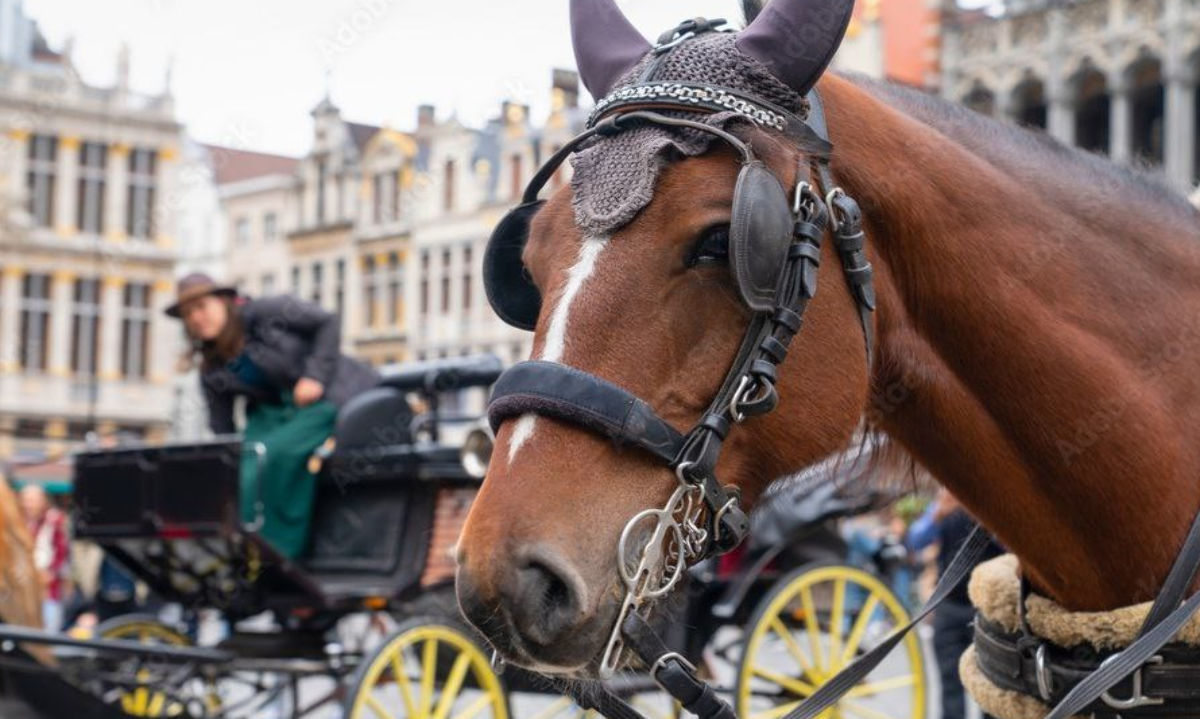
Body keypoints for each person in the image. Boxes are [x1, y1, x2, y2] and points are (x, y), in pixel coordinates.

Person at [166, 273, 379, 558]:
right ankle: (244, 544)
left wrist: (314, 375)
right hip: (274, 415)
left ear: (224, 302)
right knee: (248, 460)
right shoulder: (212, 368)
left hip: (325, 400)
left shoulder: (267, 312)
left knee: (275, 455)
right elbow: (223, 426)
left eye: (202, 307)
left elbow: (326, 321)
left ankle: (279, 550)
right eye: (188, 313)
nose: (196, 317)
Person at [907, 488, 1003, 719]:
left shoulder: (993, 506)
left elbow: (1010, 547)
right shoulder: (944, 503)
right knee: (950, 683)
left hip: (986, 610)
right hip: (949, 606)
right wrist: (937, 515)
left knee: (990, 687)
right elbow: (914, 540)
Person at [18, 484, 70, 632]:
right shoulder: (21, 522)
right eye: (26, 500)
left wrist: (50, 573)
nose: (28, 505)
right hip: (24, 586)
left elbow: (62, 552)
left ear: (42, 501)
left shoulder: (54, 520)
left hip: (47, 586)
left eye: (32, 500)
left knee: (48, 628)